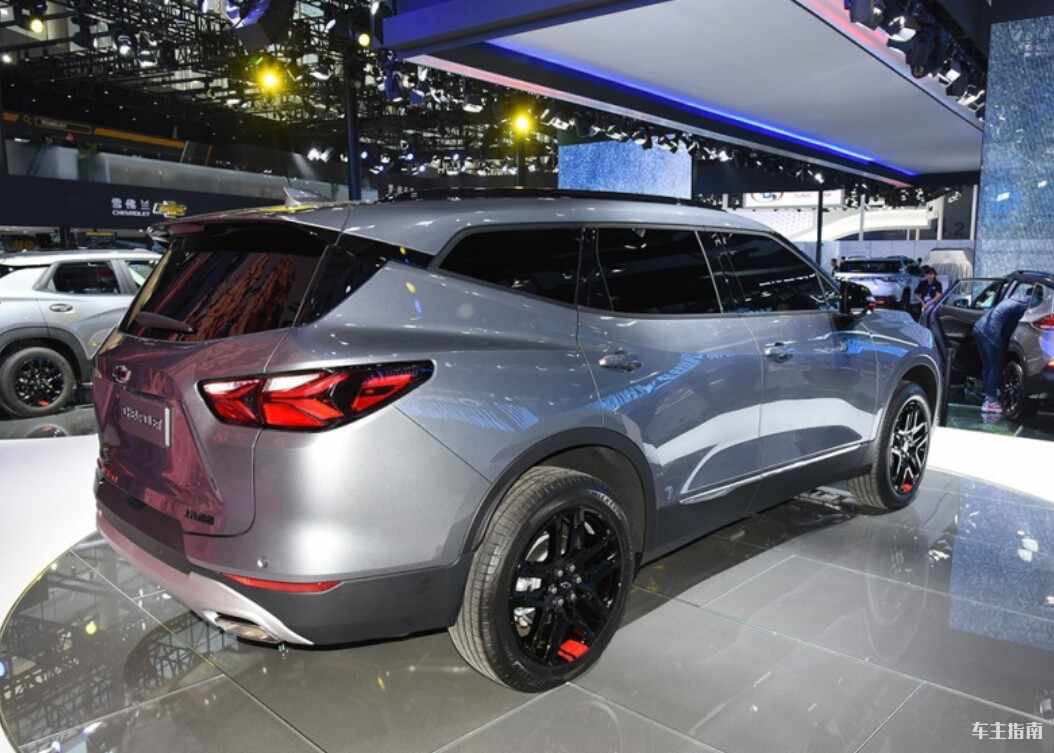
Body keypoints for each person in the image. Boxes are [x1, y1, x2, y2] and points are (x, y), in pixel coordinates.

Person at [973, 291, 1029, 415]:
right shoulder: (1027, 305)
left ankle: (987, 394)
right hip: (991, 332)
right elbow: (1012, 327)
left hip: (979, 327)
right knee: (995, 366)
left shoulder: (1015, 298)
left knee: (988, 366)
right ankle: (991, 401)